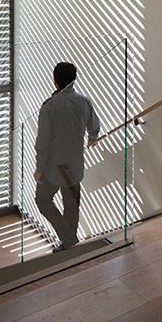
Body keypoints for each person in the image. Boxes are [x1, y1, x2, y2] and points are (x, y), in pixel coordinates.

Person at [33, 62, 100, 252]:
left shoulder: (49, 106)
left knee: (42, 200)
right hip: (74, 166)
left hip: (54, 169)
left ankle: (69, 242)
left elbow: (42, 144)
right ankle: (70, 245)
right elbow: (94, 125)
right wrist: (93, 138)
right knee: (71, 207)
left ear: (54, 81)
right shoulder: (84, 101)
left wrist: (39, 170)